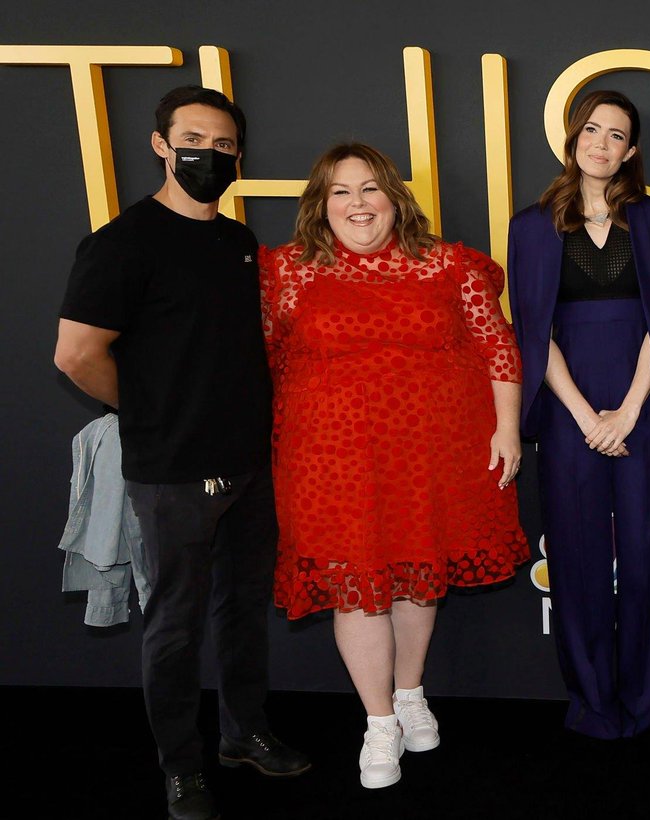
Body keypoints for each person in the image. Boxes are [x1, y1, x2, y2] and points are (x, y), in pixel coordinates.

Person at [54, 86, 310, 820]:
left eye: (225, 145)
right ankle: (181, 766)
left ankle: (244, 733)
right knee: (173, 623)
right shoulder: (122, 243)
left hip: (251, 465)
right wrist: (148, 411)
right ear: (162, 146)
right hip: (171, 475)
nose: (211, 154)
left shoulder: (236, 243)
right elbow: (75, 355)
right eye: (195, 139)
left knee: (241, 614)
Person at [259, 142, 529, 788]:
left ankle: (410, 693)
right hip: (330, 462)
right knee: (357, 585)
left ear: (396, 199)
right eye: (341, 192)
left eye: (370, 189)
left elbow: (498, 346)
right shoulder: (288, 272)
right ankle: (379, 723)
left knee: (414, 579)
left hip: (425, 458)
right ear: (320, 206)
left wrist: (509, 428)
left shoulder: (446, 264)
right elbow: (262, 361)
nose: (358, 205)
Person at [507, 90, 650, 739]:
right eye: (593, 130)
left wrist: (629, 411)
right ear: (572, 138)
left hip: (646, 410)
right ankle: (592, 703)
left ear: (632, 150)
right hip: (567, 414)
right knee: (578, 562)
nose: (602, 144)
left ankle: (641, 703)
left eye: (617, 135)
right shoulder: (531, 227)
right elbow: (534, 331)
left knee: (645, 557)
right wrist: (588, 418)